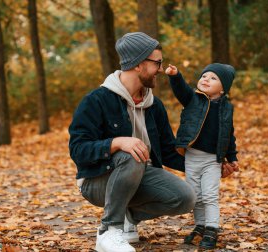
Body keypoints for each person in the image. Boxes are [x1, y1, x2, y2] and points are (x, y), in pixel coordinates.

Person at [68, 32, 197, 252]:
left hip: (138, 176)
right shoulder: (97, 100)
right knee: (132, 151)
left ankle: (127, 216)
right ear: (138, 64)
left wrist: (208, 163)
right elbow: (78, 149)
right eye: (157, 62)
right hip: (97, 181)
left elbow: (167, 151)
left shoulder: (153, 105)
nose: (160, 69)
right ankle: (109, 231)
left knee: (185, 198)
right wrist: (117, 142)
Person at [165, 63, 240, 249]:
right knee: (195, 195)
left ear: (223, 89)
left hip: (212, 160)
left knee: (209, 195)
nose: (206, 79)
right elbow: (181, 90)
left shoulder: (227, 108)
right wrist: (175, 76)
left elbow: (228, 134)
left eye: (213, 78)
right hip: (191, 158)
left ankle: (212, 228)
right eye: (204, 76)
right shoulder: (193, 99)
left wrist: (232, 157)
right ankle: (200, 225)